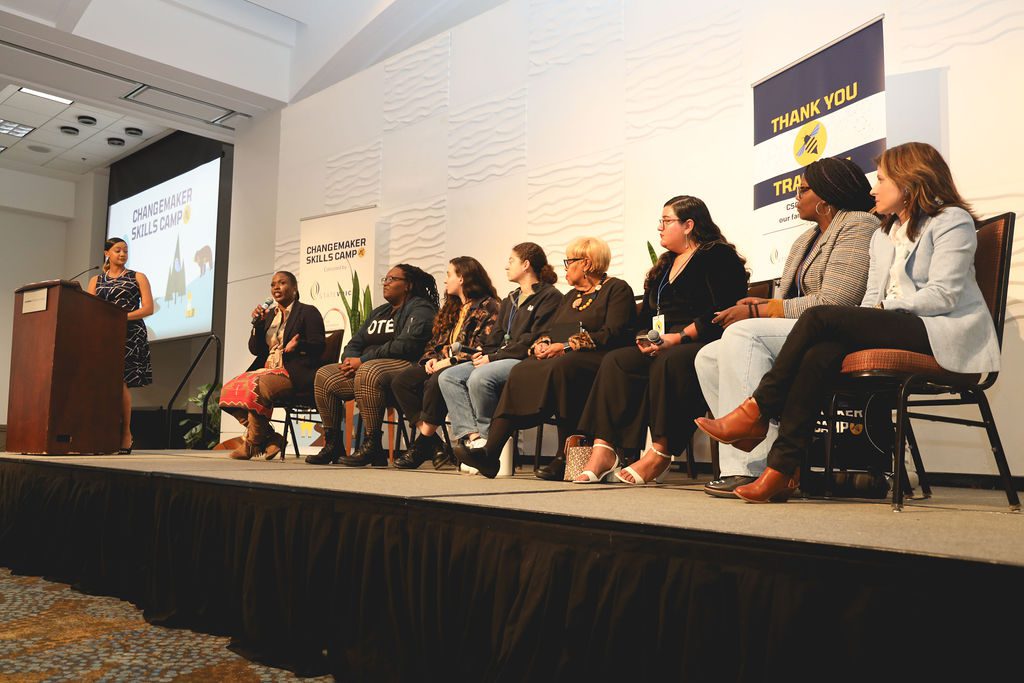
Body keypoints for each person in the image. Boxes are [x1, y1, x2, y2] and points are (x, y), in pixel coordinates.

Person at [697, 142, 1000, 503]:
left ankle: (758, 410)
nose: (872, 189)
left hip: (940, 330)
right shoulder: (884, 234)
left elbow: (944, 295)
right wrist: (871, 315)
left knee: (819, 317)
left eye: (883, 180)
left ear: (910, 181)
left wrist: (882, 310)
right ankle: (780, 469)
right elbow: (871, 296)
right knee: (819, 354)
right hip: (894, 322)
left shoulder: (951, 220)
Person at [694, 157, 879, 497]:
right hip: (801, 331)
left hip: (836, 332)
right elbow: (783, 300)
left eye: (803, 189)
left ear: (825, 196)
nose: (796, 197)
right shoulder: (804, 240)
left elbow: (837, 301)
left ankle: (758, 467)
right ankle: (750, 458)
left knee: (742, 334)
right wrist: (757, 308)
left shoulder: (857, 224)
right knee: (708, 355)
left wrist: (762, 310)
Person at [575, 196, 748, 484]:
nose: (659, 228)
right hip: (663, 342)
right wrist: (647, 339)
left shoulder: (717, 255)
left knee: (671, 361)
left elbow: (723, 310)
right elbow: (647, 318)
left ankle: (661, 451)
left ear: (689, 225)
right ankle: (604, 448)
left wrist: (679, 337)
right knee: (617, 361)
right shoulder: (665, 265)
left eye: (666, 221)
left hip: (702, 339)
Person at [456, 236, 637, 479]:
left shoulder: (616, 288)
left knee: (563, 366)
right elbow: (550, 332)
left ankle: (565, 456)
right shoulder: (570, 296)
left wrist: (567, 345)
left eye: (569, 261)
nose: (565, 267)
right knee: (523, 369)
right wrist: (542, 345)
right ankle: (491, 452)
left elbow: (613, 332)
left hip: (600, 357)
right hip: (566, 357)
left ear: (586, 263)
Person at [437, 243, 562, 466]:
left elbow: (534, 338)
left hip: (524, 360)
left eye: (511, 261)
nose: (506, 266)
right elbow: (495, 336)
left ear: (526, 265)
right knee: (448, 376)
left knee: (481, 377)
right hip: (499, 357)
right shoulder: (510, 299)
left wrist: (492, 358)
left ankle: (489, 442)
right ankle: (473, 438)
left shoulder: (549, 296)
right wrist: (480, 353)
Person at [305, 264, 438, 465]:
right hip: (367, 370)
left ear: (408, 285)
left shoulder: (420, 308)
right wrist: (349, 361)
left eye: (392, 279)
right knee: (325, 375)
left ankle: (372, 444)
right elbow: (355, 342)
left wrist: (364, 361)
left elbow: (406, 345)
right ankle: (333, 444)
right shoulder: (378, 313)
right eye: (385, 278)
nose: (386, 283)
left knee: (369, 370)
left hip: (405, 366)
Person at [388, 257, 500, 469]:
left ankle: (422, 443)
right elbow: (434, 343)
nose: (445, 280)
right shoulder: (451, 308)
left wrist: (450, 361)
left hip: (466, 366)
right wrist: (430, 359)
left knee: (437, 381)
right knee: (401, 381)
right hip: (441, 364)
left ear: (462, 277)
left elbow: (483, 348)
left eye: (449, 274)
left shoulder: (490, 307)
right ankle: (432, 442)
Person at [219, 271, 325, 460]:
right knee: (228, 391)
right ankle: (271, 438)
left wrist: (298, 345)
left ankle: (251, 444)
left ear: (294, 288)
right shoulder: (268, 317)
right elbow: (256, 349)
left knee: (257, 387)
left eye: (282, 283)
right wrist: (258, 326)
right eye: (273, 284)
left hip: (293, 371)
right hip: (267, 368)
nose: (276, 287)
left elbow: (319, 345)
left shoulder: (308, 312)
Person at [87, 237, 154, 453]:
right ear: (107, 253)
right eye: (117, 250)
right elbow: (89, 308)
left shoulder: (137, 277)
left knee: (120, 381)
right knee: (103, 383)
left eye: (125, 250)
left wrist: (121, 318)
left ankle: (126, 433)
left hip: (129, 334)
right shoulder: (96, 280)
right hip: (103, 335)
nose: (123, 254)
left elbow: (148, 308)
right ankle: (101, 433)